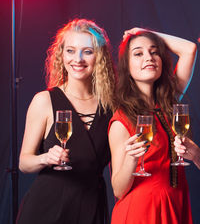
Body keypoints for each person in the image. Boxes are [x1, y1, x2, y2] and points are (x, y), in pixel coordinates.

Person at [17, 18, 116, 224]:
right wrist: (46, 158)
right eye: (70, 50)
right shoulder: (44, 100)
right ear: (61, 55)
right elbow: (24, 163)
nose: (77, 59)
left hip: (92, 206)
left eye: (87, 51)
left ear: (100, 57)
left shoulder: (112, 105)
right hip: (46, 208)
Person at [108, 27, 197, 224]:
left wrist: (145, 32)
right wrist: (131, 160)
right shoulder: (122, 119)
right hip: (142, 211)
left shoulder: (168, 103)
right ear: (127, 67)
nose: (148, 57)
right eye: (138, 54)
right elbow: (118, 189)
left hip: (175, 203)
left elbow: (189, 49)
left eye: (154, 51)